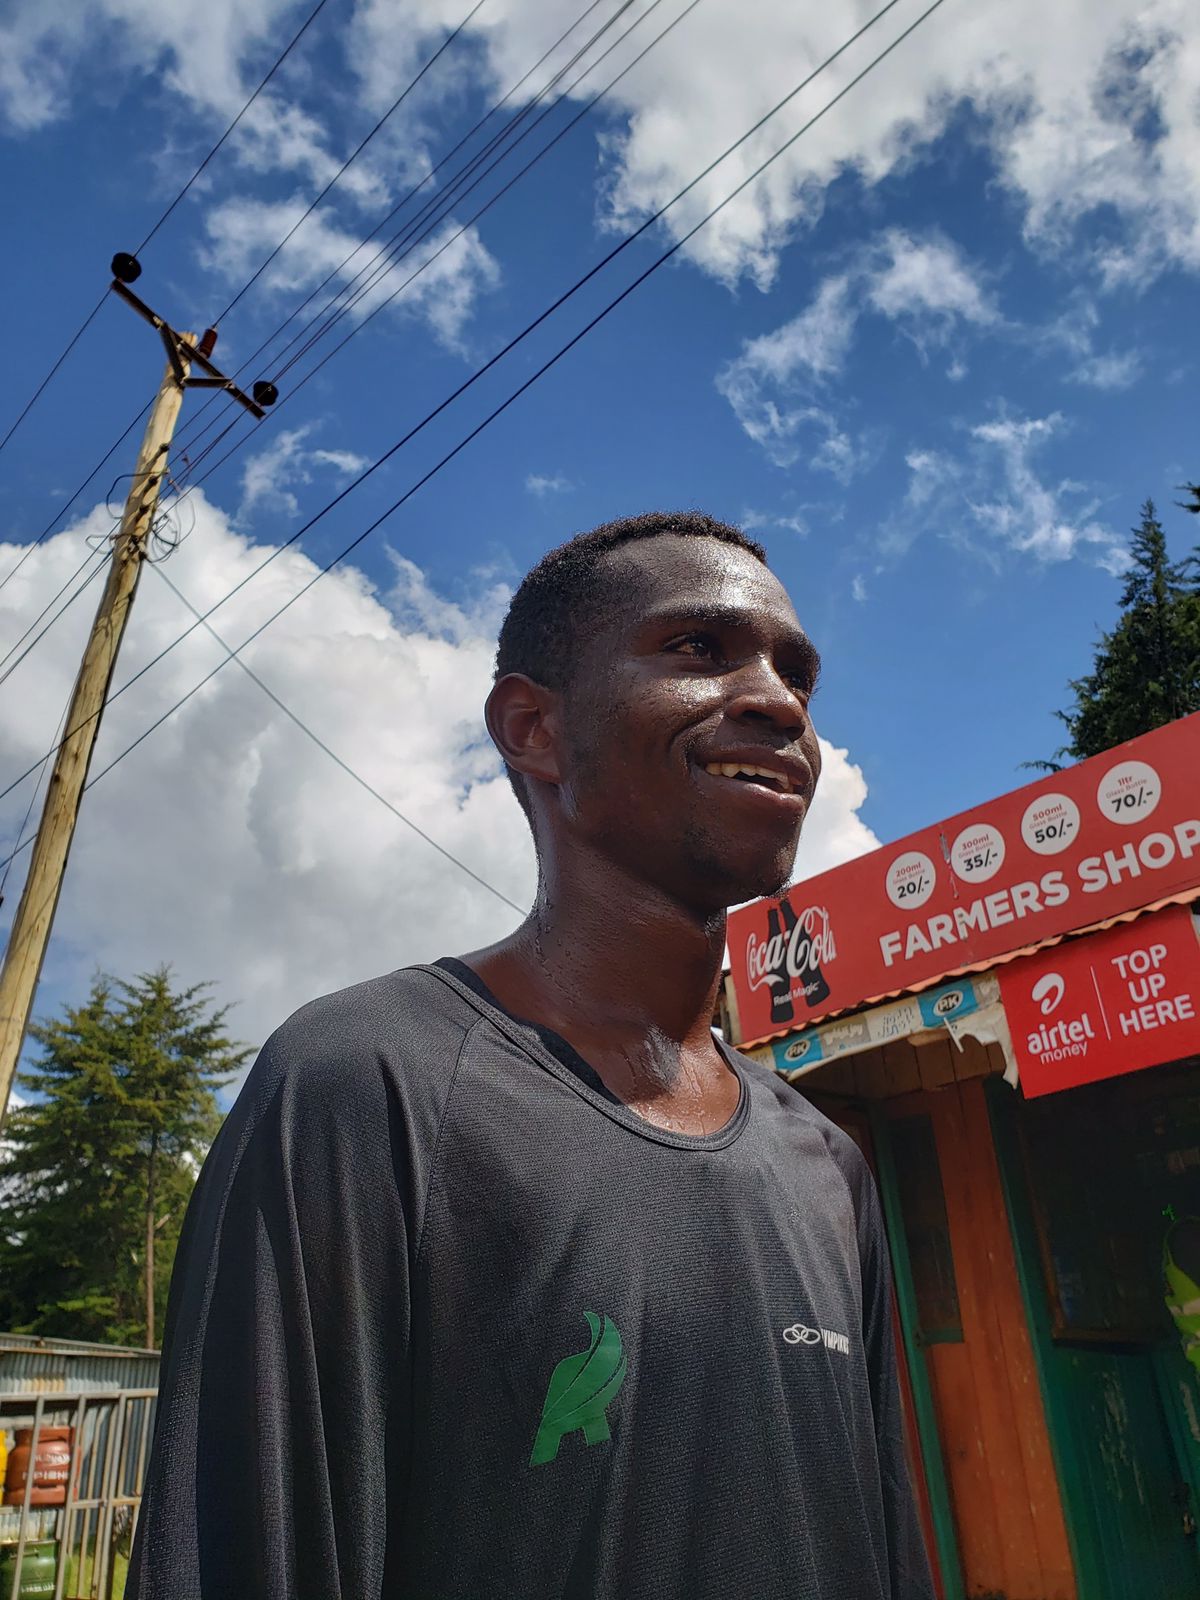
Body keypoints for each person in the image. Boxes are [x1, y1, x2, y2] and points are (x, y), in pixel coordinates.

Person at [128, 510, 934, 1599]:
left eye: (797, 673)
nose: (780, 702)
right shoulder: (366, 1084)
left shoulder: (828, 1169)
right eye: (699, 648)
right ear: (534, 728)